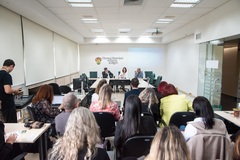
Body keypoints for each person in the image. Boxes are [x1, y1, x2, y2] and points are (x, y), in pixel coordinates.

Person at [114, 95, 157, 160]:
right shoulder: (150, 120)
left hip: (127, 158)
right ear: (140, 107)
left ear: (126, 108)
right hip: (147, 157)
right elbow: (155, 137)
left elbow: (116, 143)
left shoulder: (121, 124)